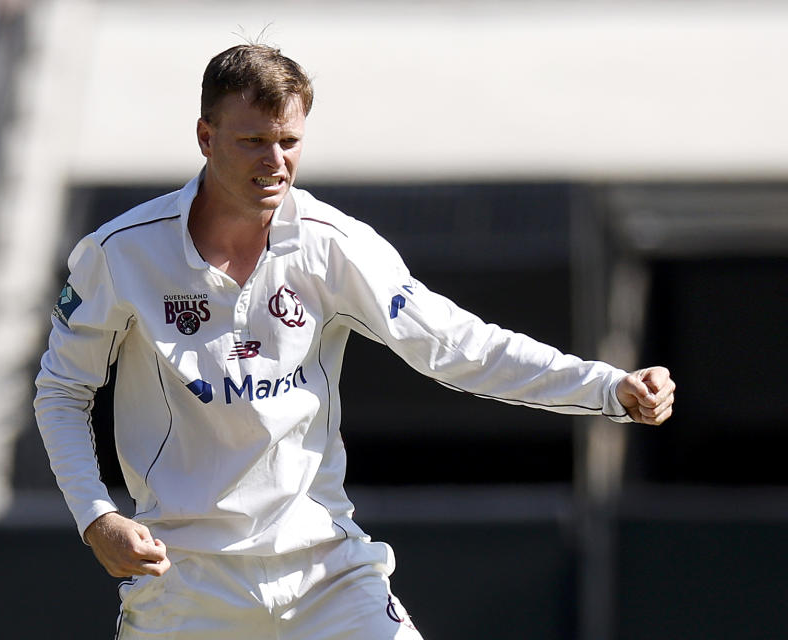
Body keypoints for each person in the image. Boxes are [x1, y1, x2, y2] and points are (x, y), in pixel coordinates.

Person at [34, 44, 675, 639]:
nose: (274, 162)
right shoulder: (120, 252)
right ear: (205, 137)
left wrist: (607, 387)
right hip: (185, 581)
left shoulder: (332, 243)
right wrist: (96, 516)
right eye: (253, 141)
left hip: (326, 573)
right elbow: (62, 390)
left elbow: (458, 345)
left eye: (289, 142)